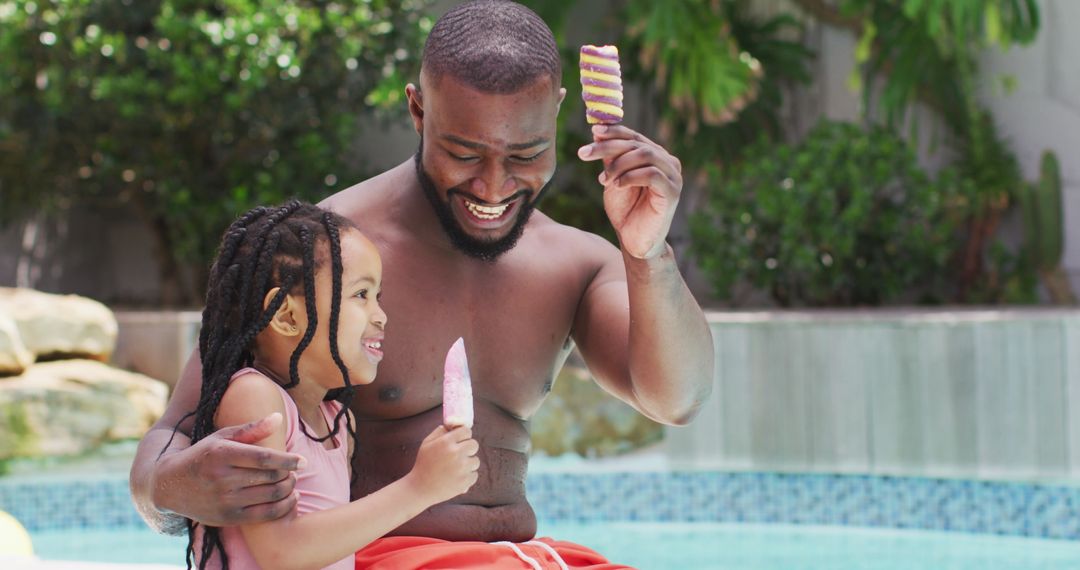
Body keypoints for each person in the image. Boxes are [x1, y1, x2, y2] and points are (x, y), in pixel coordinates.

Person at [131, 1, 715, 567]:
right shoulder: (324, 259)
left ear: (557, 112)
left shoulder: (579, 263)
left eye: (526, 154)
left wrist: (649, 253)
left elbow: (677, 399)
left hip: (519, 556)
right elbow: (166, 447)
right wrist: (175, 487)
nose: (492, 187)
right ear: (418, 111)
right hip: (378, 556)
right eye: (463, 153)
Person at [175, 201, 479, 569]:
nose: (381, 317)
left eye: (377, 297)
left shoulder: (338, 423)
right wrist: (420, 487)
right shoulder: (256, 399)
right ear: (287, 316)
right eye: (361, 295)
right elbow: (280, 551)